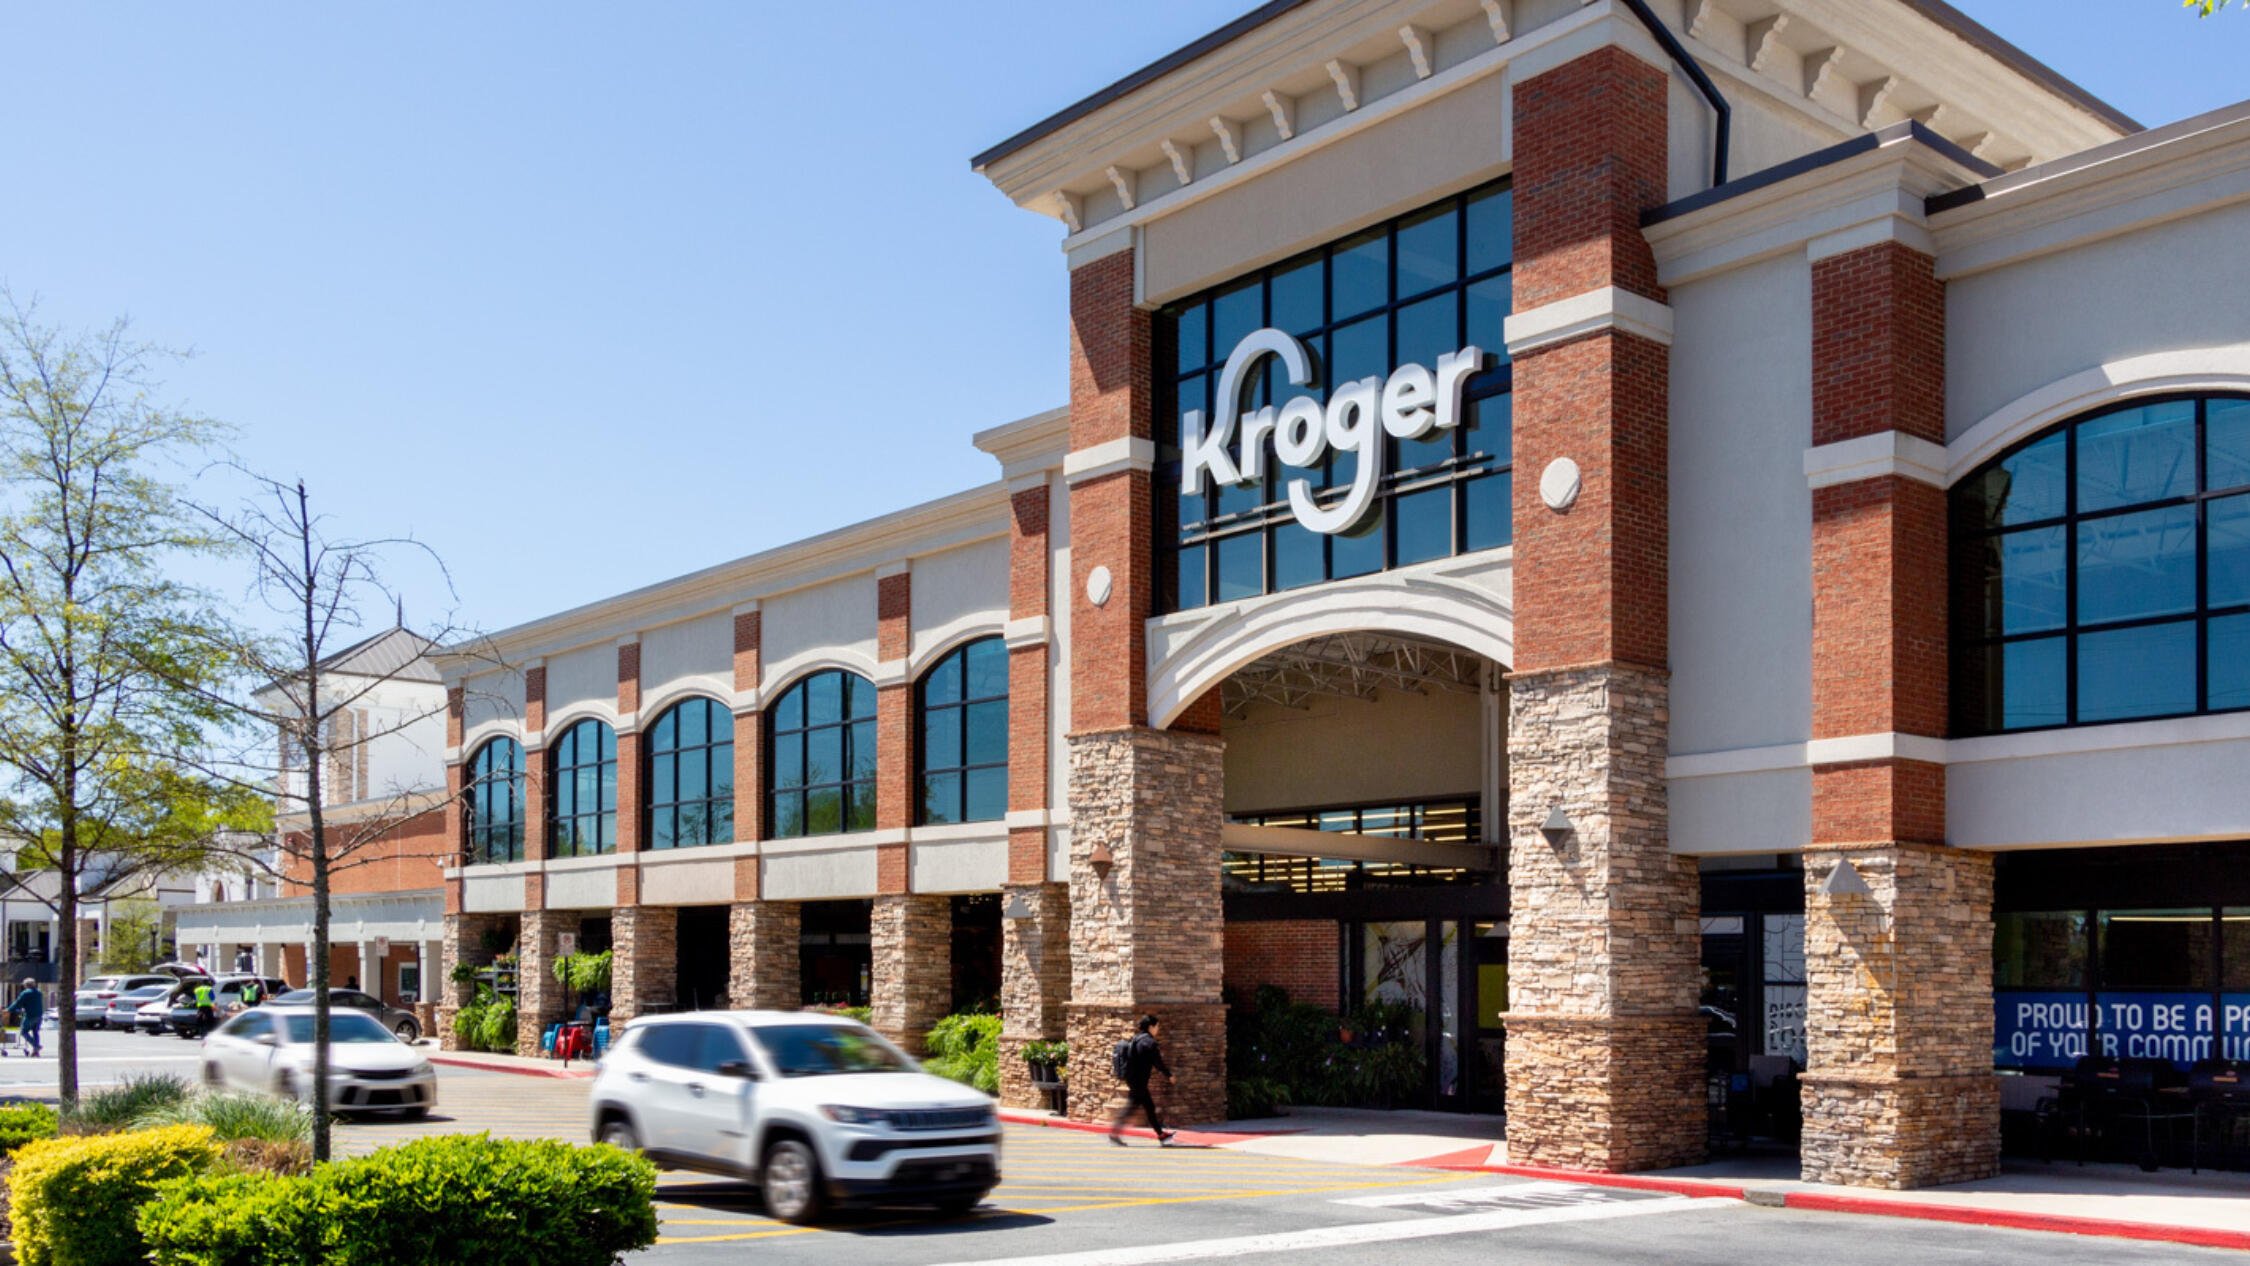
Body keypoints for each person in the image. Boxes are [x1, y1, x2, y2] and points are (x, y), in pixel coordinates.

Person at [1109, 1014, 1176, 1146]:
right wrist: (1169, 1075)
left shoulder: (1137, 1038)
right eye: (1157, 1026)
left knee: (1149, 1107)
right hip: (1139, 1082)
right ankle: (1114, 1134)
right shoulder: (1149, 1043)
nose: (1158, 1029)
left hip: (1134, 1079)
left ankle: (1161, 1135)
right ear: (1151, 1027)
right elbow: (1158, 1063)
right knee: (1132, 1107)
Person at [7, 980, 42, 1057]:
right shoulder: (39, 993)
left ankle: (36, 1046)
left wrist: (8, 1010)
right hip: (39, 1015)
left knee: (23, 1031)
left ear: (26, 985)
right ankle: (35, 1051)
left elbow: (17, 1003)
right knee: (35, 1032)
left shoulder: (26, 993)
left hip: (30, 1015)